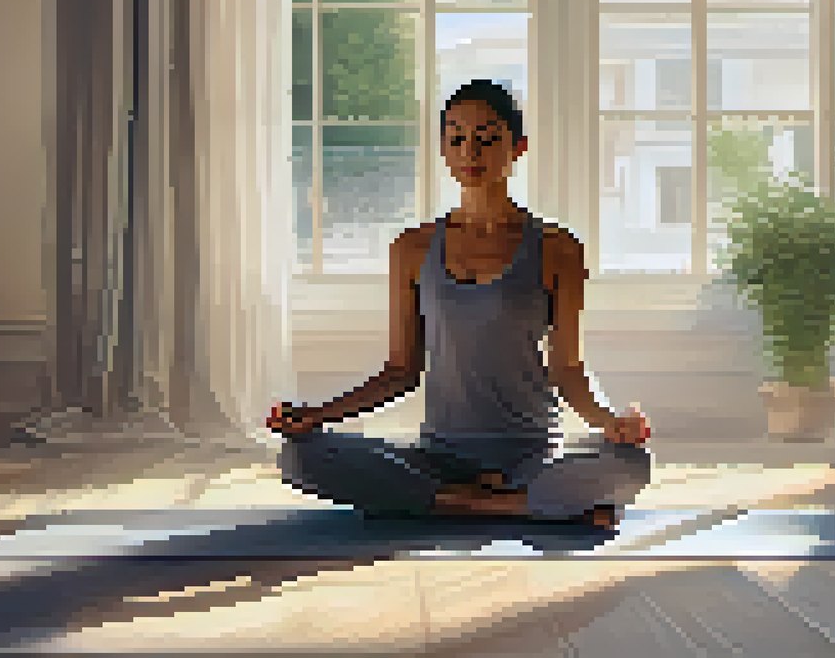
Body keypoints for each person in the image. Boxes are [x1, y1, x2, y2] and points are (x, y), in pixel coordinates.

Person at [267, 79, 652, 529]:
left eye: (487, 138)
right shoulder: (411, 248)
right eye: (457, 138)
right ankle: (516, 505)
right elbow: (400, 371)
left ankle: (455, 503)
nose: (471, 151)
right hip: (440, 456)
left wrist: (609, 422)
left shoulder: (557, 249)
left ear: (518, 147)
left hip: (531, 457)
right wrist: (315, 414)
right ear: (445, 150)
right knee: (301, 456)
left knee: (632, 464)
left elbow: (568, 368)